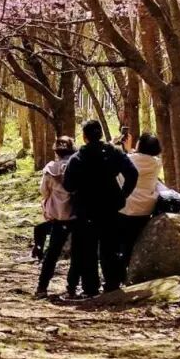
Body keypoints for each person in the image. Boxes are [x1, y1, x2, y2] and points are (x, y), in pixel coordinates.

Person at [63, 119, 139, 296]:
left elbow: (68, 185)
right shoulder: (114, 152)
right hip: (110, 206)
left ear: (84, 137)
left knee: (87, 249)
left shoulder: (77, 158)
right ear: (100, 135)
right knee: (110, 247)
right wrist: (123, 194)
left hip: (85, 208)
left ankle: (90, 288)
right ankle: (112, 284)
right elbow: (132, 173)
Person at [35, 136, 80, 299]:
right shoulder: (78, 165)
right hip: (76, 215)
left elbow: (43, 191)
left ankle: (42, 287)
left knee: (52, 253)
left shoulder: (50, 169)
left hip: (57, 216)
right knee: (77, 253)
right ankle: (72, 287)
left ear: (56, 151)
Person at [119, 133, 162, 282]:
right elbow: (139, 159)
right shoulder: (156, 163)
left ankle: (120, 275)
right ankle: (132, 272)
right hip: (145, 208)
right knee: (134, 241)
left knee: (122, 242)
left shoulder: (128, 159)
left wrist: (124, 147)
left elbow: (130, 160)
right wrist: (129, 149)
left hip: (125, 206)